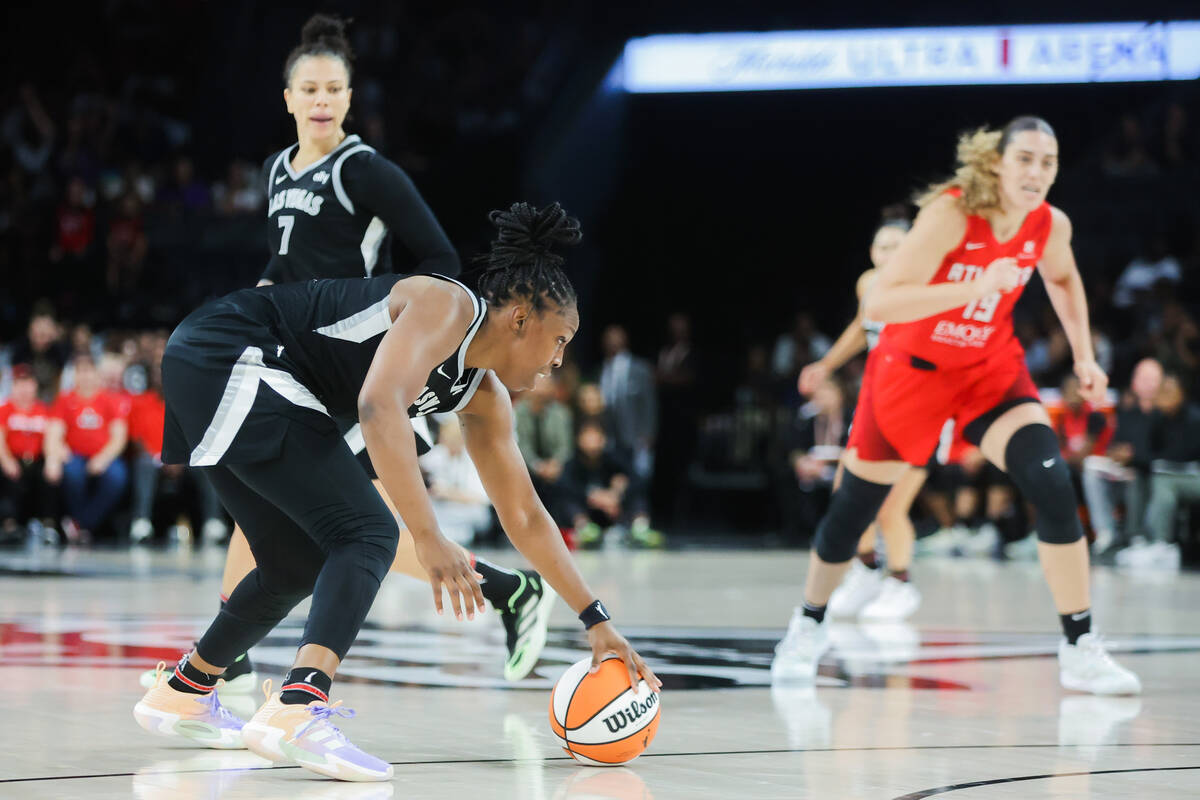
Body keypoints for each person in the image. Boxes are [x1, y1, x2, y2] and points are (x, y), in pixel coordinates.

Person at [134, 202, 662, 781]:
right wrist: (428, 535)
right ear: (520, 318)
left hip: (214, 365)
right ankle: (297, 706)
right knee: (368, 532)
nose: (558, 360)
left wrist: (596, 620)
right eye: (559, 339)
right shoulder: (449, 305)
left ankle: (184, 690)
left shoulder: (483, 399)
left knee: (295, 562)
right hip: (233, 351)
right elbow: (377, 405)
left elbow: (526, 514)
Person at [170, 13, 551, 695]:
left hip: (357, 365)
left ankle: (230, 666)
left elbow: (437, 261)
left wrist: (409, 345)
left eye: (334, 89)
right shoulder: (276, 168)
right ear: (287, 98)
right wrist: (269, 291)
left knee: (335, 528)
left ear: (349, 98)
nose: (321, 100)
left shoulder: (366, 169)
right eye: (309, 88)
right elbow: (290, 261)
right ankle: (505, 589)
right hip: (297, 357)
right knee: (304, 523)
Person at [771, 116, 1140, 695]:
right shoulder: (951, 213)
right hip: (910, 375)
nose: (1037, 172)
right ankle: (807, 625)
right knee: (854, 509)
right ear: (997, 162)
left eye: (1048, 162)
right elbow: (885, 302)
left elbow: (1064, 281)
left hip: (988, 370)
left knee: (1051, 485)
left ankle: (1080, 646)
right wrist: (972, 287)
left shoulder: (1048, 225)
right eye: (1025, 159)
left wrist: (1085, 356)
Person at [798, 217, 924, 621]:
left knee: (891, 505)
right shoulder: (867, 284)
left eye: (897, 246)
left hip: (921, 405)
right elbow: (860, 326)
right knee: (848, 495)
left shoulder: (929, 288)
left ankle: (901, 583)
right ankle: (868, 569)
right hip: (876, 402)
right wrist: (826, 364)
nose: (888, 254)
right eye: (881, 247)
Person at [1116, 374, 1200, 570]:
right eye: (1162, 392)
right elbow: (1146, 451)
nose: (1166, 396)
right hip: (1167, 475)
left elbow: (1181, 455)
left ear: (1182, 394)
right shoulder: (1157, 417)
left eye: (1171, 391)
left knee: (1163, 481)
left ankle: (1161, 544)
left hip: (1194, 477)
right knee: (1139, 478)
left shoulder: (1194, 419)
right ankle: (1139, 540)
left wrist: (1138, 457)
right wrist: (1133, 457)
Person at [44, 353, 129, 542]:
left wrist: (103, 458)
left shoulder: (109, 400)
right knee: (73, 474)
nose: (85, 376)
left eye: (89, 371)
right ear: (74, 375)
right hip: (75, 455)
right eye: (81, 371)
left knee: (117, 477)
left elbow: (119, 437)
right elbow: (54, 432)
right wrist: (55, 455)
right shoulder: (65, 400)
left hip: (102, 455)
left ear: (96, 374)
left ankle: (80, 523)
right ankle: (81, 527)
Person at [1083, 358, 1163, 554]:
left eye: (1153, 378)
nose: (1148, 383)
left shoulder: (1166, 414)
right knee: (1092, 470)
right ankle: (1106, 532)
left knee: (1135, 478)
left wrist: (1135, 456)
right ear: (1134, 383)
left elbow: (1168, 452)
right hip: (1125, 471)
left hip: (1152, 473)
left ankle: (1136, 537)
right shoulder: (1127, 414)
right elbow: (1115, 446)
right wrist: (1117, 453)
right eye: (1143, 378)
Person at [561, 418, 660, 548]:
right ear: (579, 440)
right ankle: (585, 530)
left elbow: (638, 480)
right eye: (588, 437)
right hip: (589, 513)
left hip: (614, 511)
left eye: (596, 437)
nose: (592, 443)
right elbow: (564, 487)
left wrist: (616, 494)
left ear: (603, 439)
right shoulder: (572, 463)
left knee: (638, 498)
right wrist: (593, 496)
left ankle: (640, 528)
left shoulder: (614, 459)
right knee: (568, 502)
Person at [0, 365, 56, 541]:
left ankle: (48, 524)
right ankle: (9, 525)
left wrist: (52, 460)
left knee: (49, 476)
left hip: (36, 459)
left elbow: (51, 437)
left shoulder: (43, 410)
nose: (24, 388)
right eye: (19, 383)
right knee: (8, 478)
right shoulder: (5, 409)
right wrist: (6, 460)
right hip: (12, 459)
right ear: (13, 386)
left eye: (28, 383)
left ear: (35, 386)